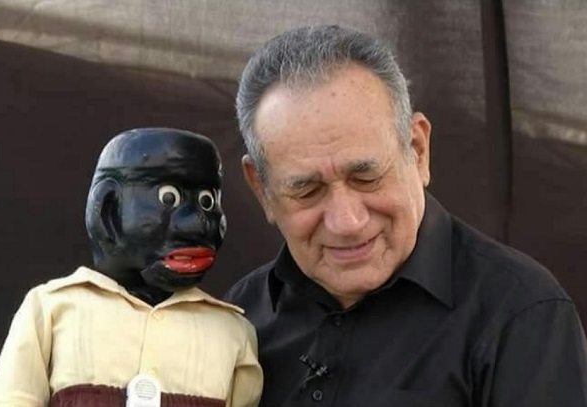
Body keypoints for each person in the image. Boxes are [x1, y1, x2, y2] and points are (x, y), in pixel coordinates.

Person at [223, 25, 587, 407]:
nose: (347, 221)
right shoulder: (241, 317)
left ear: (418, 149)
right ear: (261, 189)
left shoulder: (520, 313)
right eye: (307, 190)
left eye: (366, 178)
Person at [0, 128, 262, 407]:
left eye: (208, 201)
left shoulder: (233, 333)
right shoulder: (51, 309)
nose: (197, 224)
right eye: (169, 199)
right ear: (108, 209)